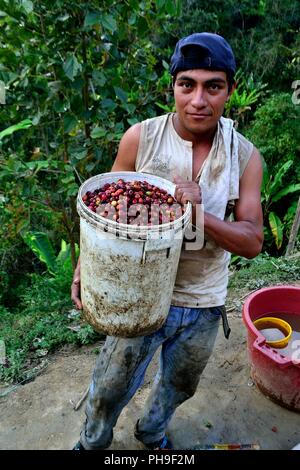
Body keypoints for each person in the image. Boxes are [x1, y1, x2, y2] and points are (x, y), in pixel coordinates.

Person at [71, 32, 263, 450]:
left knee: (179, 384)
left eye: (213, 86)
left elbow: (252, 241)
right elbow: (102, 216)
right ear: (172, 87)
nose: (198, 100)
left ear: (230, 89)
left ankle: (152, 433)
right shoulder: (140, 139)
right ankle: (92, 444)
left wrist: (198, 216)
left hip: (203, 300)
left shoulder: (245, 157)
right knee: (109, 387)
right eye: (186, 84)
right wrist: (84, 268)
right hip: (138, 292)